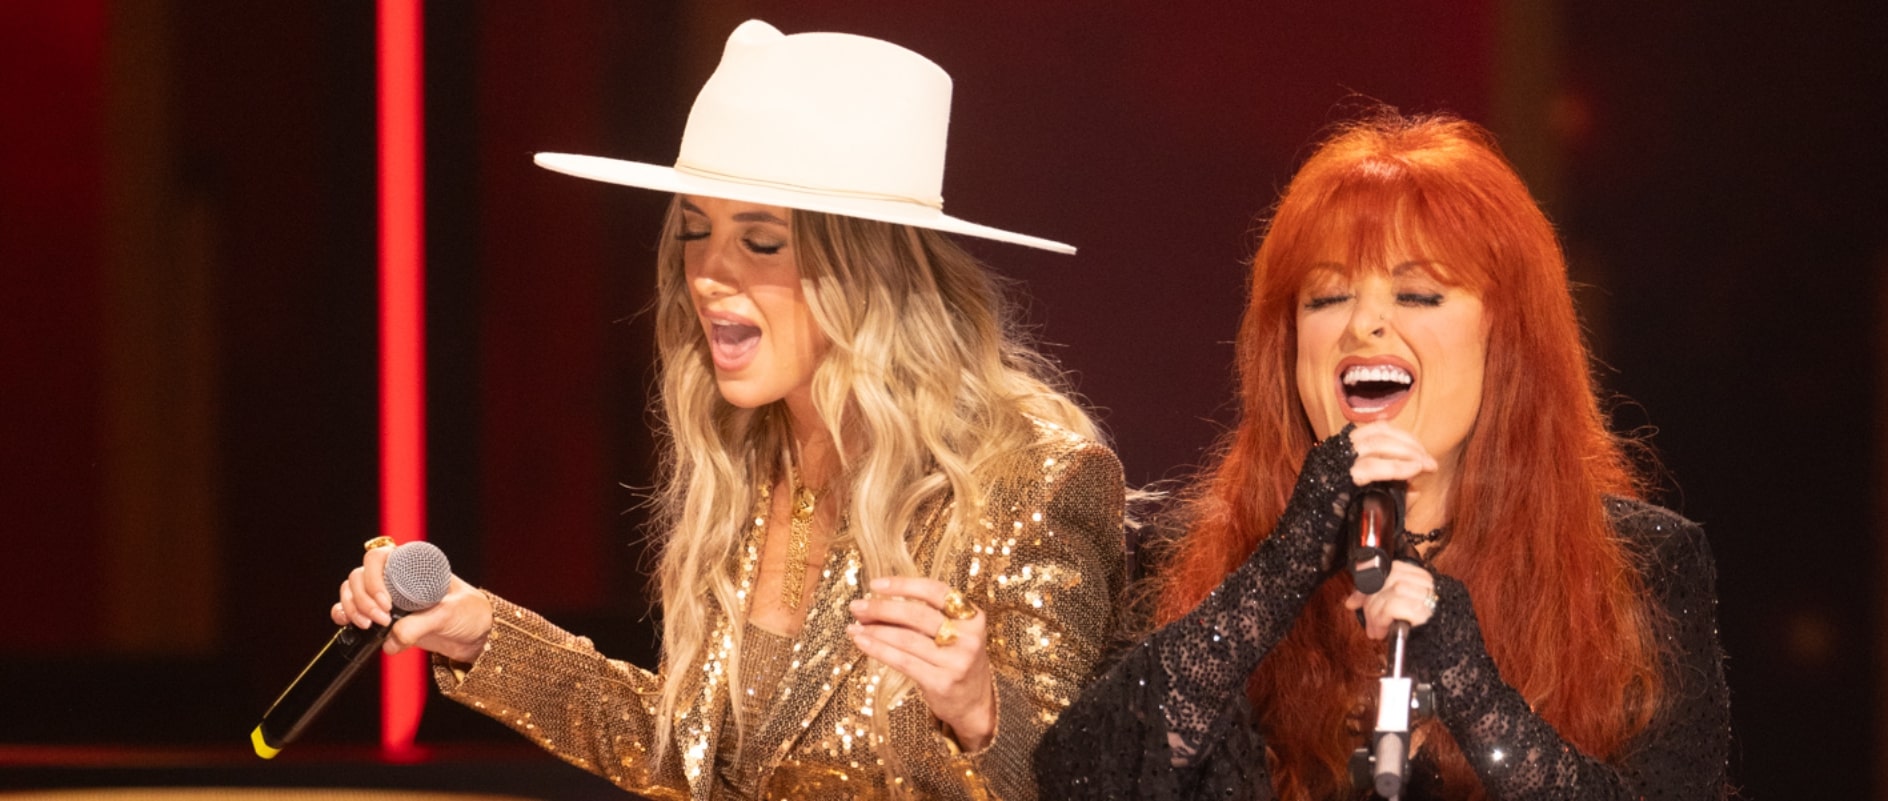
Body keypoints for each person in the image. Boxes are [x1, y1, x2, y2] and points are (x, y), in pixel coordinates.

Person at [332, 20, 1125, 800]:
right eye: (696, 232)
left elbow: (1080, 781)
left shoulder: (1034, 481)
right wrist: (482, 633)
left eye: (761, 241)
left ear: (866, 269)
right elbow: (695, 761)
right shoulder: (748, 456)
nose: (707, 274)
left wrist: (981, 710)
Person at [1033, 112, 1729, 800]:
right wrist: (1286, 561)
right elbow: (1082, 776)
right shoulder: (1191, 559)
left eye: (1418, 292)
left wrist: (1472, 689)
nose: (1364, 324)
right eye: (1328, 296)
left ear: (1509, 339)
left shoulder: (1641, 564)